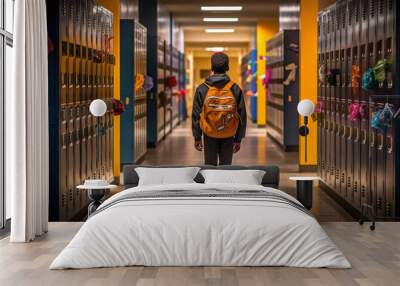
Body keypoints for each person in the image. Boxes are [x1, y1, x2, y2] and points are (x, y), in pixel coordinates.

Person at [192, 52, 247, 166]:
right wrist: (238, 138)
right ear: (227, 67)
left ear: (212, 68)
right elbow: (242, 115)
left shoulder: (202, 89)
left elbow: (196, 115)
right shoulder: (235, 88)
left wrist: (197, 137)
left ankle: (211, 184)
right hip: (228, 133)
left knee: (210, 166)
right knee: (226, 167)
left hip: (209, 134)